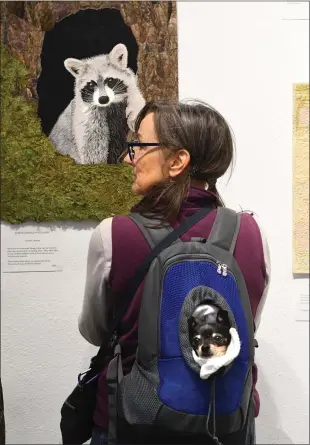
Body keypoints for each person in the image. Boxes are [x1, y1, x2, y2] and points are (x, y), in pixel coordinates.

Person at [78, 99, 270, 444]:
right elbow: (247, 323)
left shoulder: (113, 234)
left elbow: (95, 331)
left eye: (138, 145)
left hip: (135, 424)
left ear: (178, 160)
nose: (128, 157)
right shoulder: (252, 234)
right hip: (225, 425)